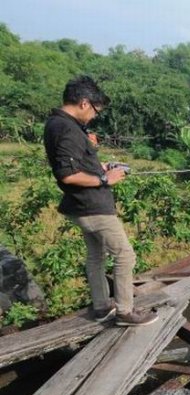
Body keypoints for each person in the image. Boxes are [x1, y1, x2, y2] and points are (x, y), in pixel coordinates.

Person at [44, 75, 158, 326]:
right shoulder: (66, 129)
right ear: (84, 103)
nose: (94, 115)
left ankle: (101, 306)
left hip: (80, 205)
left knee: (96, 255)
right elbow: (68, 174)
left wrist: (101, 165)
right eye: (95, 110)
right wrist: (106, 179)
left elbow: (77, 163)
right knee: (125, 255)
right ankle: (125, 312)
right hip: (92, 205)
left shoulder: (58, 123)